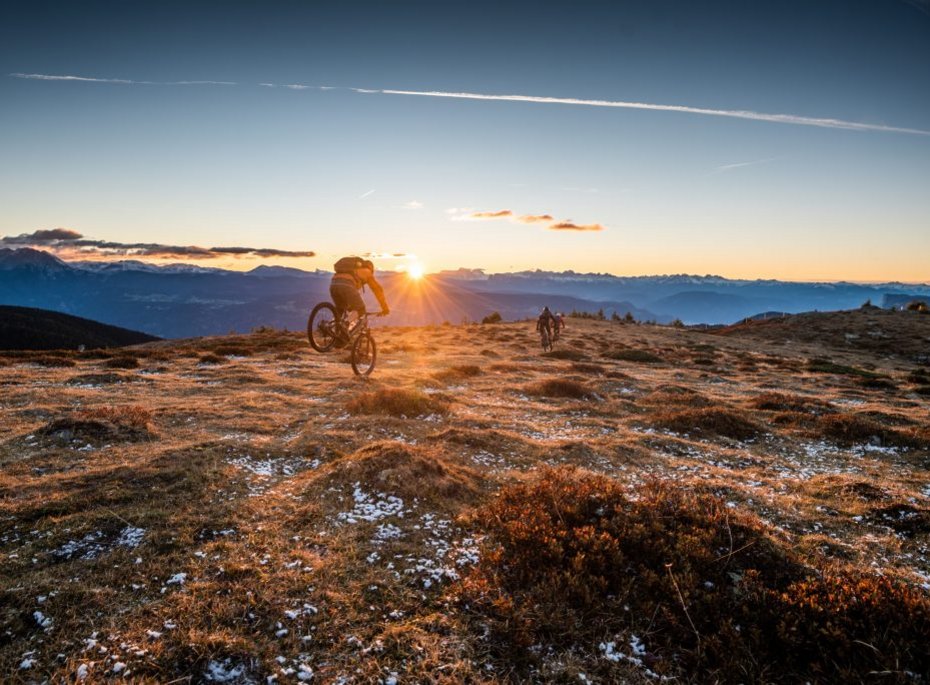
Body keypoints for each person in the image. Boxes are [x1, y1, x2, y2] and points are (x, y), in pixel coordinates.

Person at [330, 257, 390, 344]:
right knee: (360, 309)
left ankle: (334, 334)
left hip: (333, 284)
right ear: (371, 268)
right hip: (347, 285)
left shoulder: (353, 270)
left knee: (340, 309)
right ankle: (345, 324)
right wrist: (385, 308)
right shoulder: (367, 272)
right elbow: (377, 290)